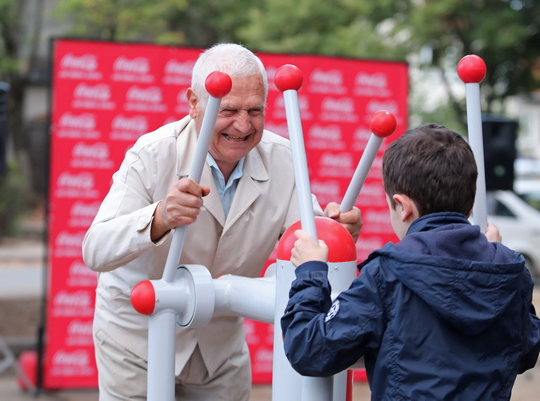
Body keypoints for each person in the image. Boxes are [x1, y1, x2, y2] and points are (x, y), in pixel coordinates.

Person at [82, 42, 362, 401]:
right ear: (193, 102)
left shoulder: (283, 160)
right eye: (228, 109)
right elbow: (95, 250)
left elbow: (308, 235)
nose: (243, 126)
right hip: (136, 343)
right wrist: (159, 217)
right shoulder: (152, 154)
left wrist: (335, 231)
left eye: (255, 111)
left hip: (219, 347)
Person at [281, 123, 540, 400]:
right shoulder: (510, 269)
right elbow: (526, 351)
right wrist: (495, 262)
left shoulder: (387, 273)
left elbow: (309, 350)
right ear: (470, 202)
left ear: (402, 206)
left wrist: (311, 272)